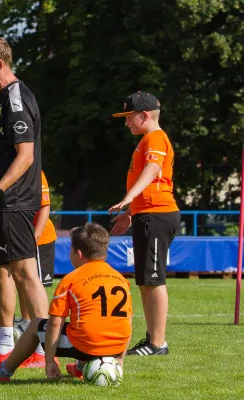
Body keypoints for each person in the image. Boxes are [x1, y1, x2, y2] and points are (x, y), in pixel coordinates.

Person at [0, 35, 49, 366]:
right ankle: (5, 344)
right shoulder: (3, 98)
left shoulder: (16, 98)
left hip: (13, 200)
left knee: (26, 273)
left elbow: (26, 156)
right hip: (1, 203)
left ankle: (46, 348)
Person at [0, 223, 132, 381]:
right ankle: (80, 368)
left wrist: (49, 361)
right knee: (86, 321)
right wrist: (120, 359)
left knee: (36, 324)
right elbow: (127, 322)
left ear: (78, 254)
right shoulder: (120, 279)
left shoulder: (71, 280)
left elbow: (55, 323)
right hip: (117, 347)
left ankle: (2, 372)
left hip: (86, 346)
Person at [109, 91, 180, 356]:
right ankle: (152, 339)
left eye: (129, 117)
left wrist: (128, 199)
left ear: (145, 115)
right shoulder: (147, 139)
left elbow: (152, 170)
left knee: (154, 278)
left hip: (158, 214)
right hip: (147, 213)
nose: (126, 122)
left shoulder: (156, 137)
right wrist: (131, 212)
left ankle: (157, 343)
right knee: (145, 280)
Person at [13, 169, 57, 364]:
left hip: (40, 238)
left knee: (35, 283)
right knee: (22, 280)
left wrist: (35, 237)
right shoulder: (7, 169)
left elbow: (45, 207)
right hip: (21, 236)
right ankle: (26, 322)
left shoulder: (35, 172)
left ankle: (42, 335)